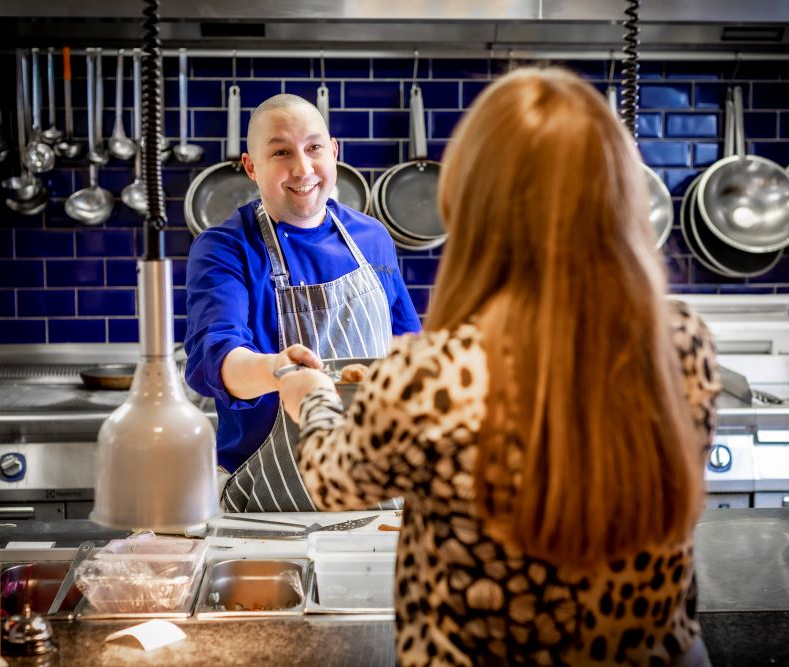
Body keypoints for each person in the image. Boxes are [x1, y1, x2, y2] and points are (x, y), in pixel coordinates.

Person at [277, 68, 721, 665]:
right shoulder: (683, 339)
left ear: (476, 203)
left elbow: (336, 482)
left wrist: (312, 396)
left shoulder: (434, 374)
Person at [184, 94, 421, 512]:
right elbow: (214, 360)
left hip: (378, 493)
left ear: (333, 152)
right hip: (269, 503)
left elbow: (406, 351)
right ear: (251, 167)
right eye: (280, 152)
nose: (302, 168)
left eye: (313, 147)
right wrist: (281, 372)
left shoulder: (373, 238)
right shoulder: (224, 248)